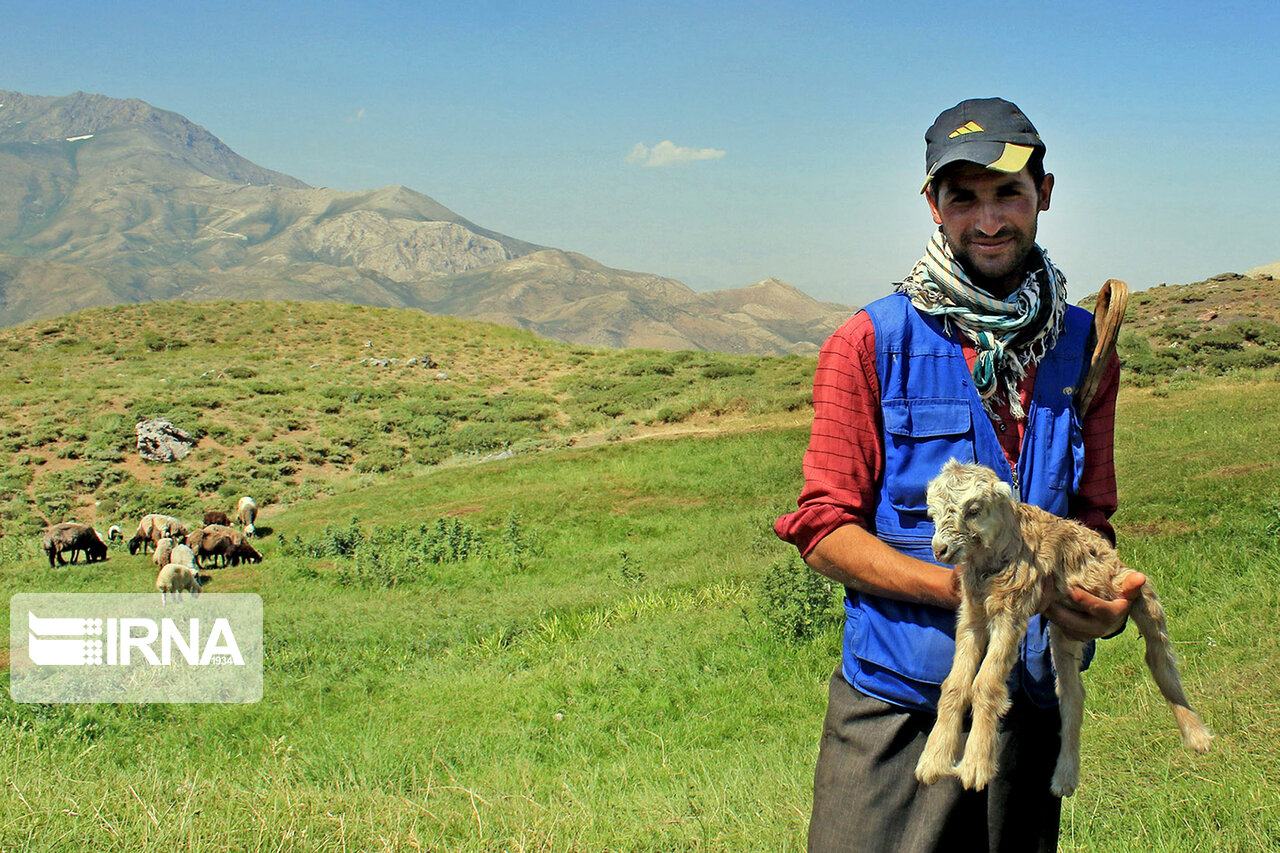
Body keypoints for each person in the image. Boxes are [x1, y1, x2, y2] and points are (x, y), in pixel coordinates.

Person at [774, 98, 1140, 853]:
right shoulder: (868, 342)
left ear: (1045, 191)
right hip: (897, 712)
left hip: (1021, 703)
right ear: (932, 206)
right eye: (962, 196)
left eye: (1008, 192)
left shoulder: (1085, 343)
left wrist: (1096, 600)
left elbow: (1091, 517)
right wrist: (963, 587)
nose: (989, 219)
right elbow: (822, 529)